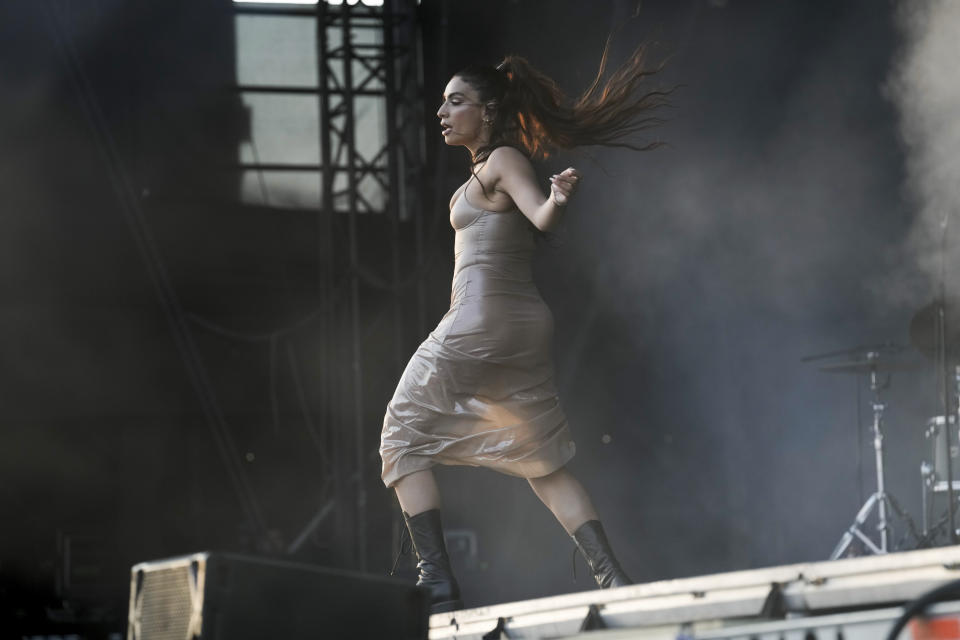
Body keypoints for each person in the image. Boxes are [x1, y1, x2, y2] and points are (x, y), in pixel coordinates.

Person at [379, 43, 669, 613]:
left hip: (480, 322)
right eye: (442, 103)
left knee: (399, 437)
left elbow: (539, 215)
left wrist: (558, 199)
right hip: (522, 327)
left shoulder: (502, 160)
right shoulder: (487, 170)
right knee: (542, 460)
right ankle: (613, 578)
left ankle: (435, 579)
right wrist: (551, 202)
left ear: (486, 111)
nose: (442, 112)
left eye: (455, 102)